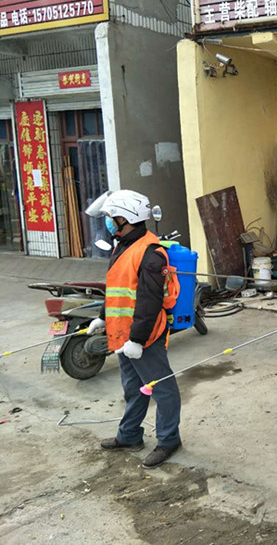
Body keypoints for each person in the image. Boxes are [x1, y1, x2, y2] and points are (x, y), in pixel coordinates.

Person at [85, 190, 182, 469]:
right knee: (133, 388)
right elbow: (117, 288)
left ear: (124, 218)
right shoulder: (123, 245)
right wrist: (103, 317)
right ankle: (129, 436)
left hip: (144, 336)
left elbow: (150, 302)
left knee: (162, 389)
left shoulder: (150, 254)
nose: (108, 222)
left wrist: (137, 340)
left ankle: (169, 440)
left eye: (110, 217)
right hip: (123, 335)